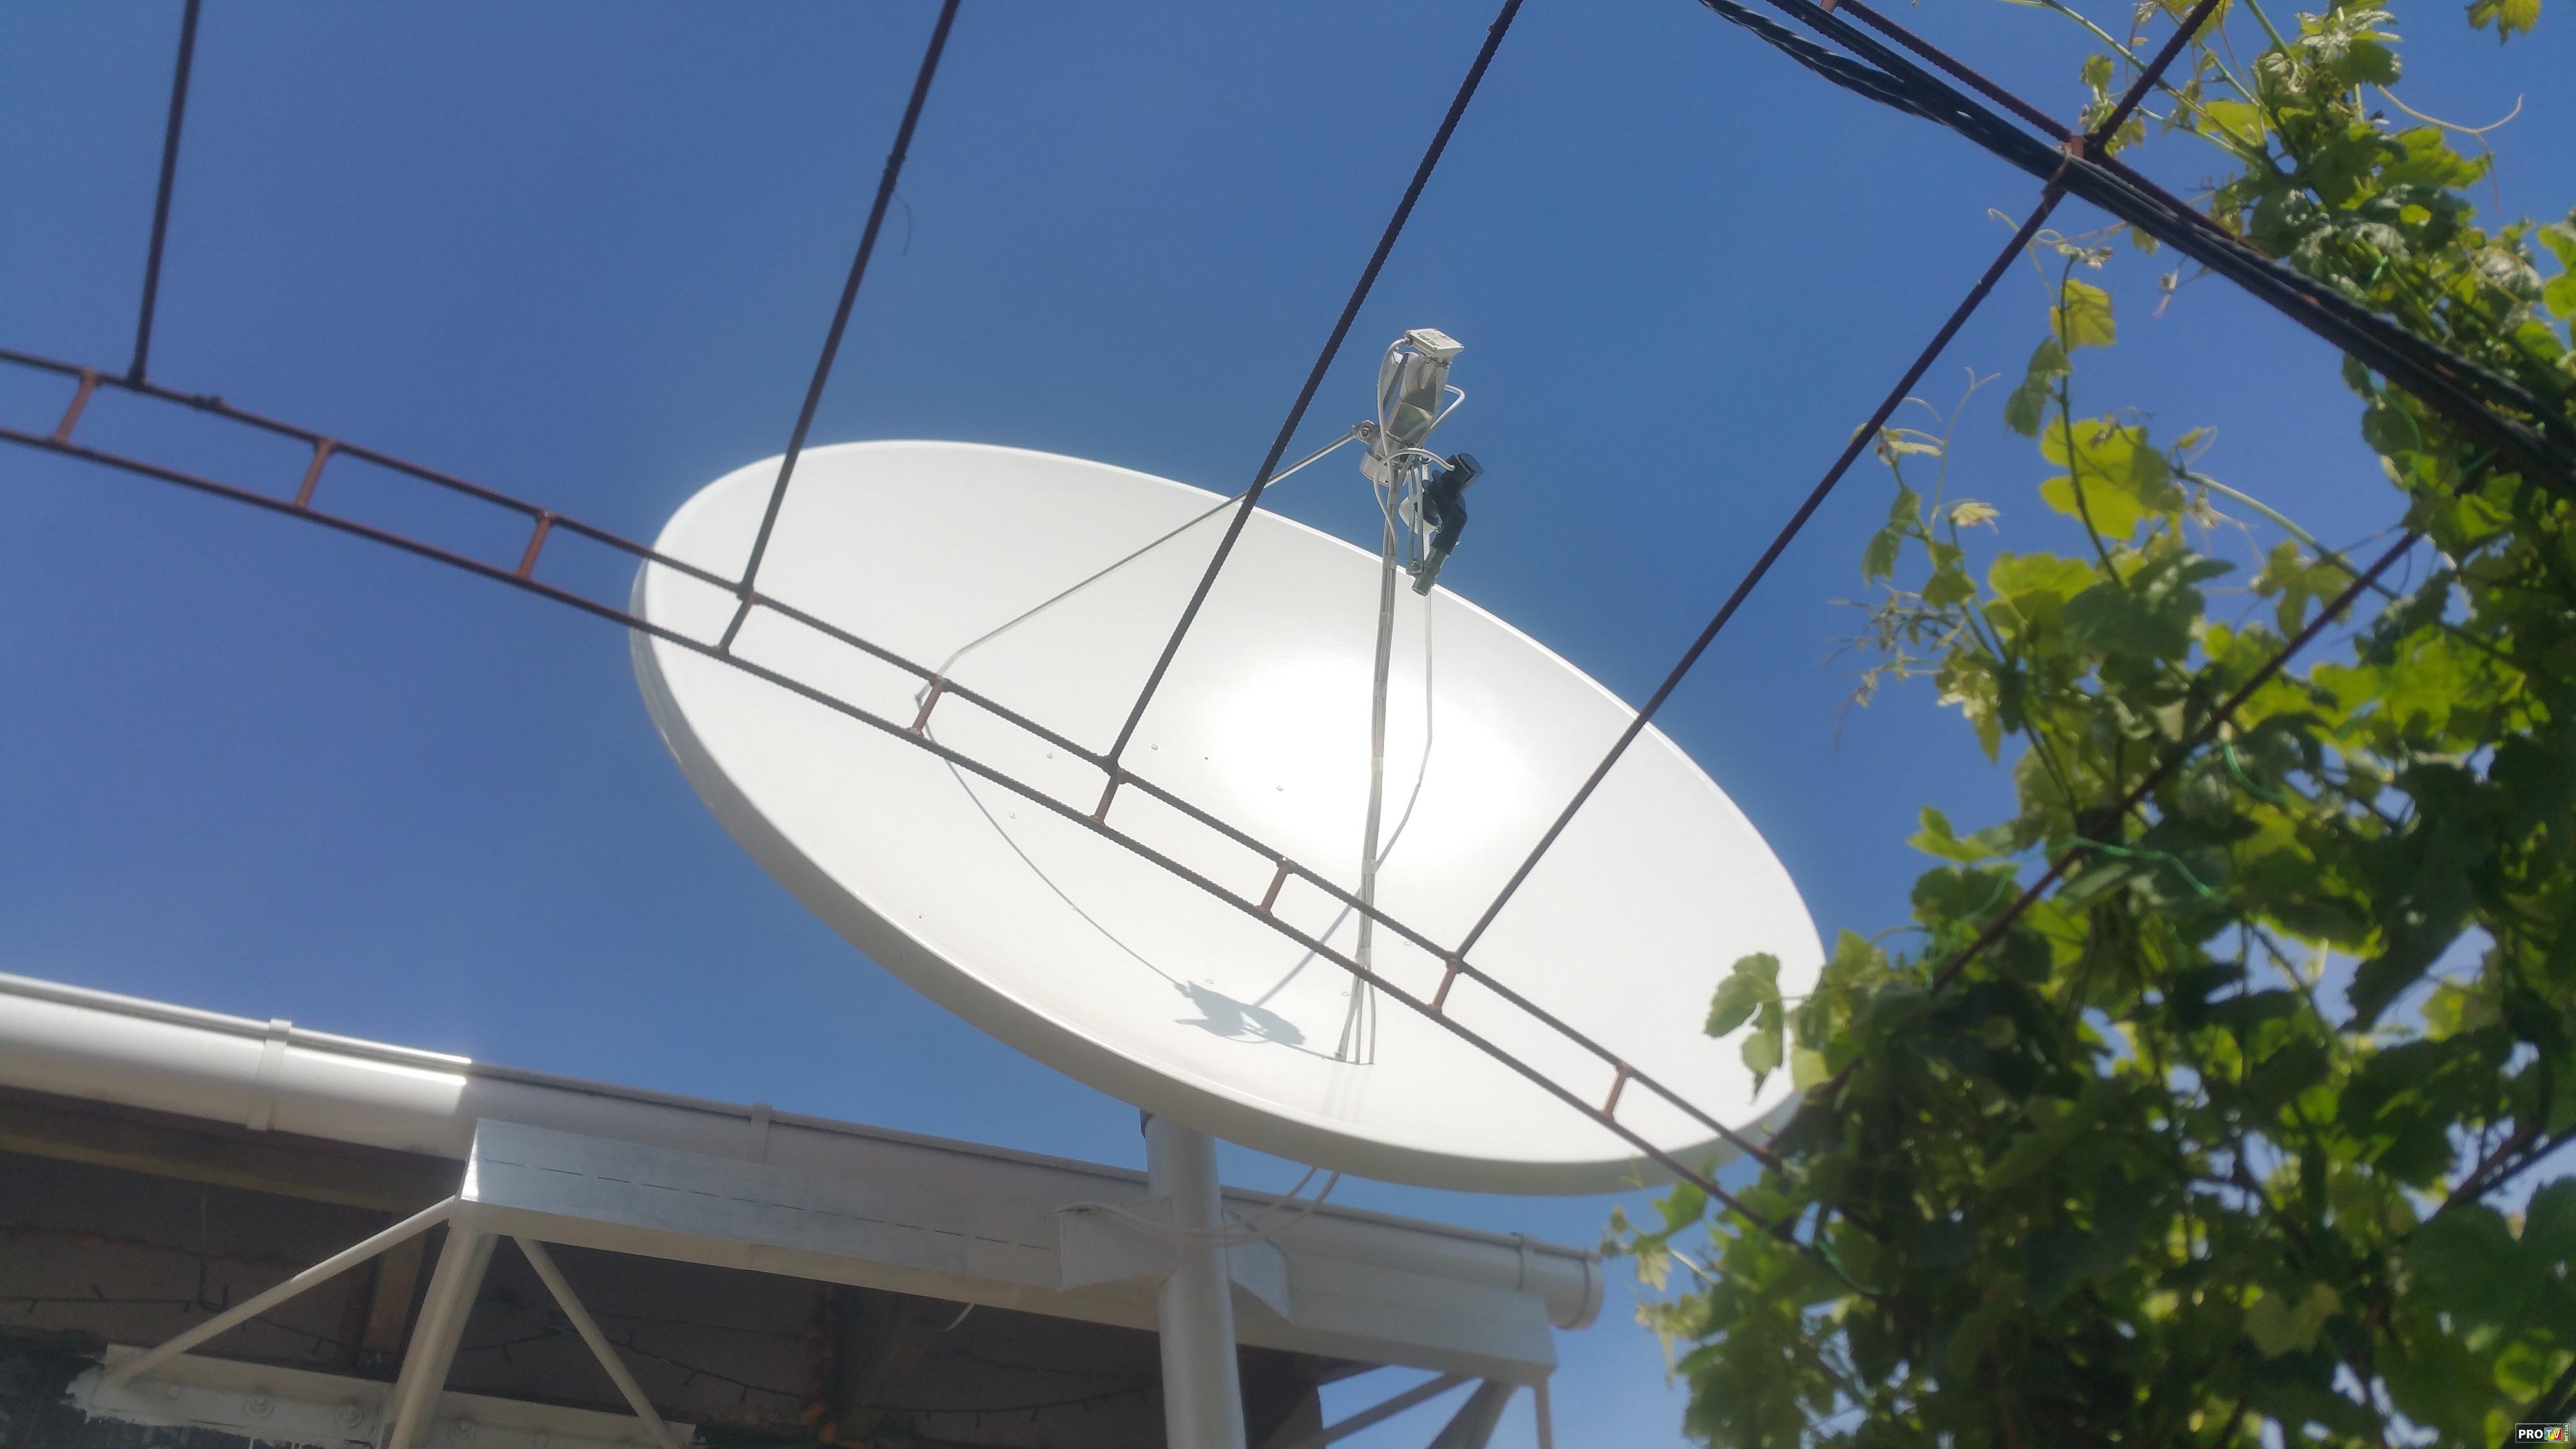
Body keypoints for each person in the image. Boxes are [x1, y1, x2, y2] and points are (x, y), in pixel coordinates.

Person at [1408, 452, 1482, 594]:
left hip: (1426, 512)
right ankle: (1425, 580)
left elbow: (1455, 523)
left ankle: (1424, 581)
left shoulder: (1457, 515)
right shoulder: (1457, 514)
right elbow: (1455, 522)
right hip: (1424, 512)